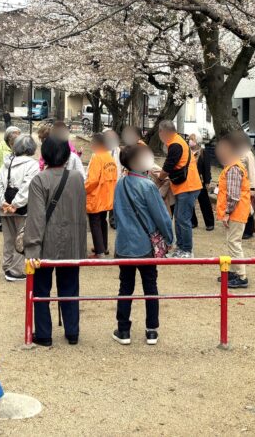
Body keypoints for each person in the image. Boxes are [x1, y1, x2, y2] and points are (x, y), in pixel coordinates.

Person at [23, 136, 88, 347]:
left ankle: (44, 333)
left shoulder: (39, 180)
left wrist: (32, 249)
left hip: (46, 243)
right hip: (73, 242)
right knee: (70, 288)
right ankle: (72, 331)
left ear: (44, 155)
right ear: (68, 155)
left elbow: (36, 218)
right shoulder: (77, 178)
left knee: (41, 290)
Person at [111, 144, 174, 346]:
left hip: (124, 244)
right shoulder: (148, 186)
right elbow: (161, 216)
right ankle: (151, 330)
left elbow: (116, 214)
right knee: (150, 285)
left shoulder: (120, 184)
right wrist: (169, 238)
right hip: (145, 245)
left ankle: (123, 330)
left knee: (125, 286)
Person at [0, 134, 40, 281]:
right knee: (22, 238)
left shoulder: (7, 162)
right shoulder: (32, 165)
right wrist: (16, 204)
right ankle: (16, 271)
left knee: (9, 238)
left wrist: (2, 202)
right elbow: (28, 186)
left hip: (5, 206)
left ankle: (7, 265)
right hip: (22, 208)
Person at [157, 120, 203, 258]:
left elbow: (168, 166)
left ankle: (187, 250)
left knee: (183, 219)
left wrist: (159, 179)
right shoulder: (177, 141)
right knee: (179, 218)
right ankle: (180, 248)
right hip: (184, 186)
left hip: (188, 186)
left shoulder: (176, 144)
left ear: (164, 132)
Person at [215, 133, 252, 289]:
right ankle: (234, 271)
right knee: (232, 242)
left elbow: (233, 195)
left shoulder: (233, 168)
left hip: (236, 212)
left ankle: (241, 276)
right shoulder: (233, 166)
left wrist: (227, 213)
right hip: (237, 211)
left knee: (234, 243)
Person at [85, 133, 118, 257]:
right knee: (103, 221)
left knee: (95, 222)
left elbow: (92, 180)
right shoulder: (109, 158)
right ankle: (103, 247)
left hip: (96, 196)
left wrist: (84, 190)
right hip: (107, 195)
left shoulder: (97, 158)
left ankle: (99, 251)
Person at [0, 126, 22, 232]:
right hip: (0, 178)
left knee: (9, 198)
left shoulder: (18, 148)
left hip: (11, 179)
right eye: (16, 134)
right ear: (9, 136)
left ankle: (7, 219)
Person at [192, 136, 215, 231]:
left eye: (192, 139)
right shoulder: (187, 152)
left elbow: (207, 167)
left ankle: (209, 223)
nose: (190, 141)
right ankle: (193, 222)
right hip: (190, 181)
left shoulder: (203, 152)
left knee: (204, 202)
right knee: (190, 203)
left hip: (200, 181)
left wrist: (207, 181)